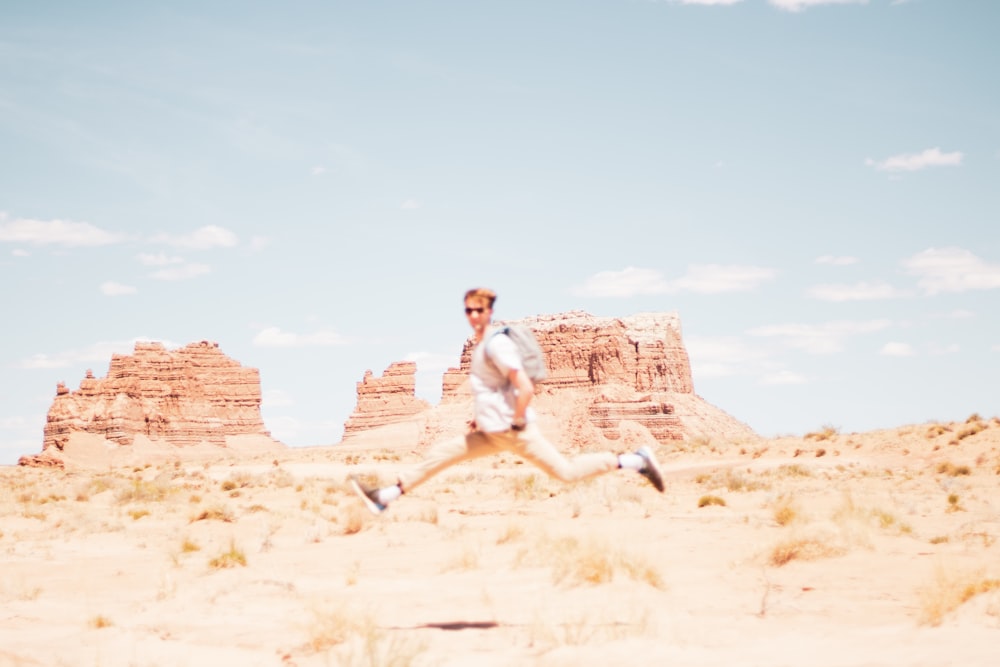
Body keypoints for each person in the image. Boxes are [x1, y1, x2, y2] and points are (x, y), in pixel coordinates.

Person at [349, 287, 664, 514]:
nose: (473, 315)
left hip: (514, 432)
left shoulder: (497, 346)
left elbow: (525, 387)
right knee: (442, 454)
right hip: (491, 433)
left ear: (489, 312)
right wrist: (480, 418)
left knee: (566, 473)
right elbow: (494, 389)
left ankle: (636, 460)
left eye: (479, 310)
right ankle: (386, 496)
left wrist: (515, 420)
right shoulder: (483, 346)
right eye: (468, 310)